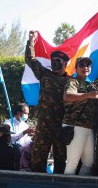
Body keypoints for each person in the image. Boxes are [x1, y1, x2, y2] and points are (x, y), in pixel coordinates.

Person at [25, 31, 69, 173]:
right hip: (44, 123)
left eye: (59, 62)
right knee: (38, 157)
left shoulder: (71, 81)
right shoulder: (45, 74)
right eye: (53, 61)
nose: (55, 64)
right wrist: (31, 41)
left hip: (61, 124)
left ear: (65, 64)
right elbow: (30, 59)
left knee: (61, 159)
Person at [63, 57, 98, 175]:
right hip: (75, 126)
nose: (85, 67)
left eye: (88, 65)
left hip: (88, 127)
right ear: (76, 68)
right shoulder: (73, 81)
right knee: (72, 164)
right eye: (82, 65)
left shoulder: (90, 85)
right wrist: (88, 95)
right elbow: (67, 96)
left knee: (89, 163)